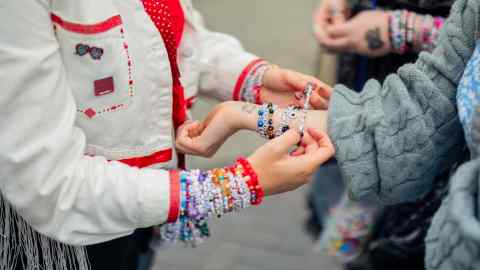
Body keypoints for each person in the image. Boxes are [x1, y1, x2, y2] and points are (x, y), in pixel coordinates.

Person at [0, 1, 335, 270]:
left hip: (143, 206)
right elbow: (49, 183)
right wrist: (236, 184)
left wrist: (251, 79)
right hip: (61, 236)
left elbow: (171, 34)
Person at [198, 0, 480, 268]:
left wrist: (405, 28)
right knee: (363, 240)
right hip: (373, 115)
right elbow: (409, 121)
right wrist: (248, 114)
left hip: (428, 176)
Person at [308, 0, 454, 268]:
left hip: (438, 118)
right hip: (364, 80)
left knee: (408, 249)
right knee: (354, 219)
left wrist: (404, 29)